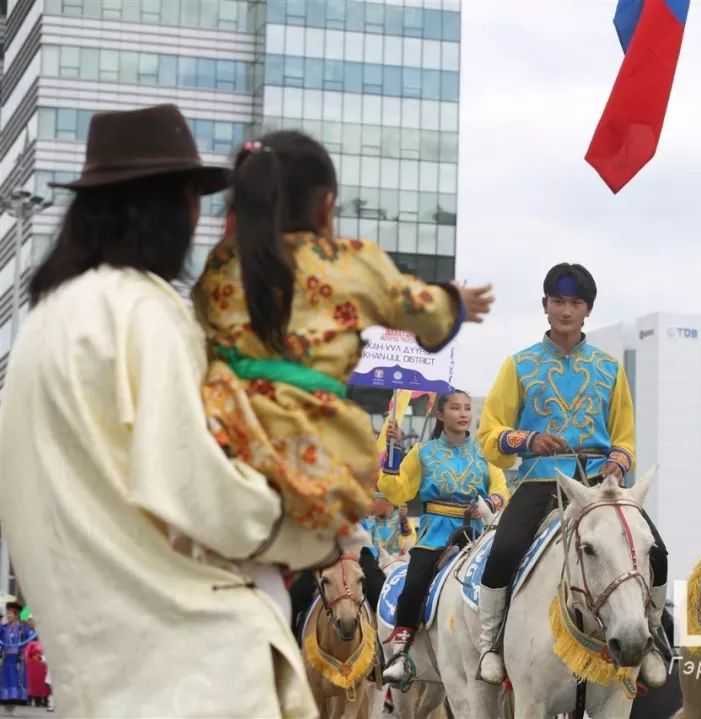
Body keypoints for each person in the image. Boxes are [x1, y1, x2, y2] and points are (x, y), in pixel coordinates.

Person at [0, 104, 362, 717]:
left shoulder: (42, 326)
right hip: (192, 670)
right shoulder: (145, 312)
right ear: (173, 207)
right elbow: (204, 489)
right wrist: (315, 532)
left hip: (99, 670)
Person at [194, 130, 494, 543]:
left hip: (220, 437)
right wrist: (454, 302)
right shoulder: (348, 261)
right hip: (310, 454)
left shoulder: (221, 263)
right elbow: (421, 311)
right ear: (326, 206)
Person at [474, 263, 671, 689]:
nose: (566, 310)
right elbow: (489, 434)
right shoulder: (519, 365)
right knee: (504, 549)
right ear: (545, 307)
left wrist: (617, 463)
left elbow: (625, 437)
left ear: (588, 311)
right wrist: (528, 440)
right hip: (539, 482)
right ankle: (491, 645)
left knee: (656, 551)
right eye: (558, 302)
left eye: (575, 303)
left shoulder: (609, 368)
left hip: (599, 487)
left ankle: (652, 637)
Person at [378, 390, 509, 686]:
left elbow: (501, 487)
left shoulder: (483, 452)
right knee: (413, 585)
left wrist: (491, 503)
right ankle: (400, 653)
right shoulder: (423, 452)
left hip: (476, 535)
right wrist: (393, 452)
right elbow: (398, 491)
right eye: (455, 408)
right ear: (440, 414)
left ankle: (501, 646)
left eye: (466, 408)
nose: (464, 413)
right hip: (435, 534)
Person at [1, 603, 33, 714]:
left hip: (17, 659)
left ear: (16, 615)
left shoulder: (22, 627)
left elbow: (30, 637)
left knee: (15, 682)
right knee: (6, 682)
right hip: (6, 659)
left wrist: (26, 625)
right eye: (7, 613)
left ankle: (12, 707)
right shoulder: (5, 627)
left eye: (10, 613)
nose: (8, 615)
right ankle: (6, 706)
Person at [361, 494, 415, 559]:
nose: (370, 504)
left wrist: (403, 520)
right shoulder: (368, 524)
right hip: (375, 567)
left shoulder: (403, 521)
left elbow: (409, 546)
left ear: (389, 500)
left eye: (374, 500)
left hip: (399, 567)